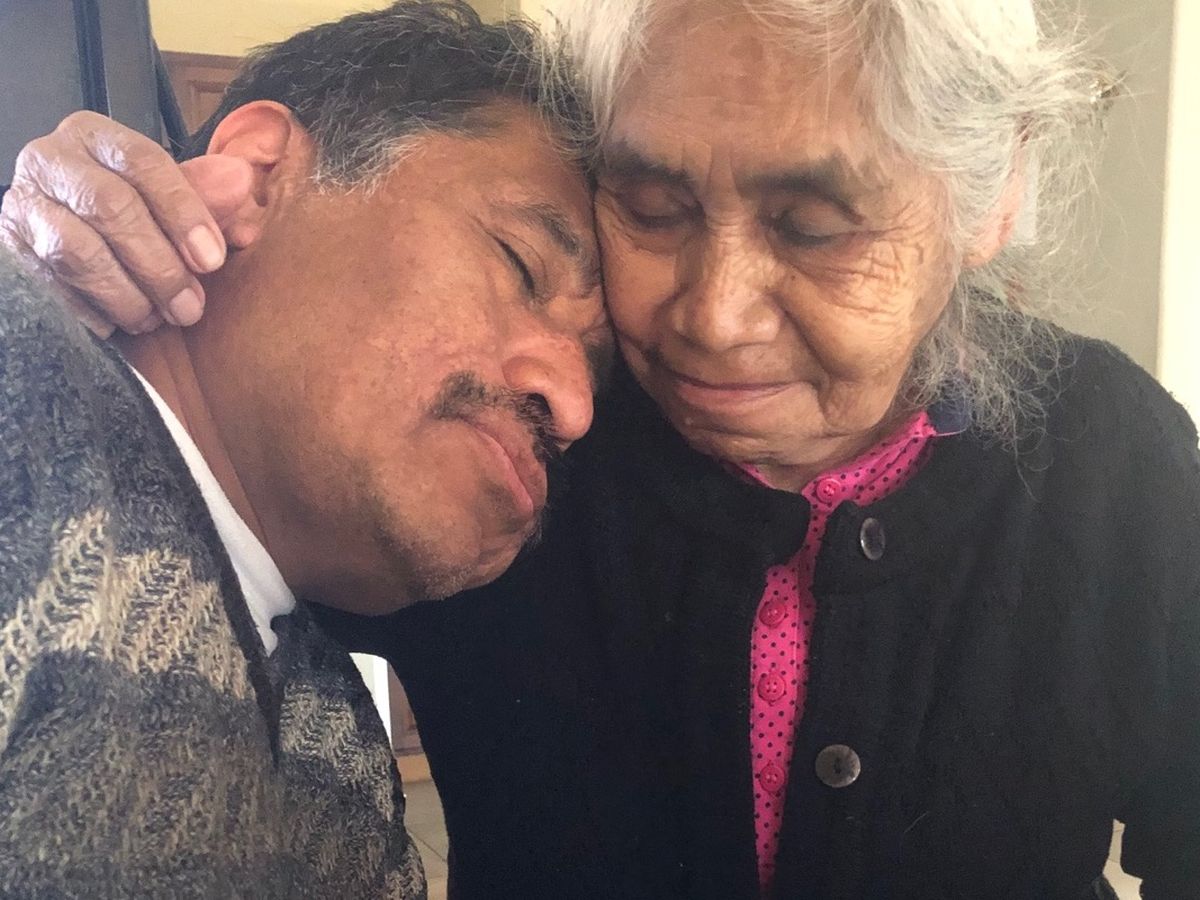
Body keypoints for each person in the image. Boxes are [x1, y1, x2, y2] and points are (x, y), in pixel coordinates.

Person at [6, 0, 1200, 898]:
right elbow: (229, 467)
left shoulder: (1117, 459)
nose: (711, 317)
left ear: (993, 195)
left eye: (816, 228)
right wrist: (89, 269)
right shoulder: (522, 442)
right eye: (654, 208)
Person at [0, 3, 605, 896]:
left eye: (597, 374)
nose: (574, 407)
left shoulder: (338, 745)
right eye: (520, 265)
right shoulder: (26, 419)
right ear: (258, 173)